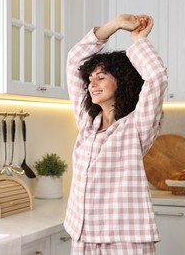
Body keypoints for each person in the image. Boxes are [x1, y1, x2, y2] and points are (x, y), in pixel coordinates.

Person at [64, 14, 168, 254]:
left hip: (124, 238)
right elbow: (74, 61)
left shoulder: (137, 126)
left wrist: (138, 40)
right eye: (90, 79)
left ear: (121, 82)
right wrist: (115, 24)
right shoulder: (87, 124)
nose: (92, 84)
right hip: (82, 235)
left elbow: (156, 77)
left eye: (101, 77)